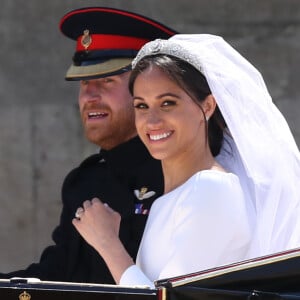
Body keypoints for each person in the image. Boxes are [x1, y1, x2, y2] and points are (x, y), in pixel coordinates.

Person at [72, 34, 300, 288]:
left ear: (208, 106)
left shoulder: (211, 189)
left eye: (168, 103)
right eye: (141, 106)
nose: (152, 120)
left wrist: (108, 244)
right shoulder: (174, 197)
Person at [0, 7, 176, 283]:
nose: (90, 95)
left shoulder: (183, 170)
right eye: (84, 82)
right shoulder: (85, 181)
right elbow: (56, 277)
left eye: (107, 80)